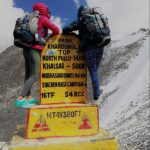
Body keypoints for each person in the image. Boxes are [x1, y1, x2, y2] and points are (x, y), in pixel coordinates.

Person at [15, 3, 60, 108]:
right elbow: (56, 30)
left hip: (26, 49)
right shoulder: (43, 18)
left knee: (28, 74)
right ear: (45, 10)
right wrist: (48, 39)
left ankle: (29, 98)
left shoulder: (29, 18)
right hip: (35, 49)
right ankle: (20, 98)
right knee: (35, 75)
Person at [63, 5, 106, 103]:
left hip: (90, 50)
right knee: (94, 71)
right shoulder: (94, 17)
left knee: (93, 72)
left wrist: (75, 34)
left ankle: (97, 97)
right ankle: (97, 93)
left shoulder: (80, 21)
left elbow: (65, 29)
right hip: (100, 47)